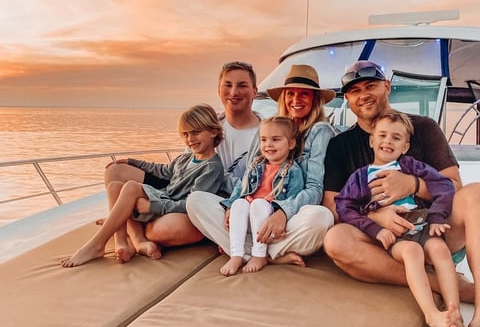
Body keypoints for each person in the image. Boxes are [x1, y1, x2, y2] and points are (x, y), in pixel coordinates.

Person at [322, 60, 480, 327]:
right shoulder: (341, 145)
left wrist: (414, 183)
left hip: (436, 229)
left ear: (387, 87)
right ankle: (448, 285)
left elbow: (454, 185)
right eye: (354, 91)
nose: (363, 95)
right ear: (348, 100)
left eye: (371, 86)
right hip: (390, 242)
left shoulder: (422, 128)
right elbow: (334, 204)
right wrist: (377, 217)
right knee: (336, 241)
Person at [335, 111, 468, 327]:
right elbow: (344, 206)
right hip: (395, 236)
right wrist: (375, 228)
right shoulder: (361, 177)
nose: (388, 141)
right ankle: (432, 315)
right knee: (412, 252)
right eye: (383, 135)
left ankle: (454, 312)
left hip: (422, 224)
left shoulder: (411, 166)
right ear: (372, 140)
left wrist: (437, 217)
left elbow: (445, 185)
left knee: (439, 249)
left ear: (405, 146)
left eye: (396, 138)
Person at [102, 61, 260, 253]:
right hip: (181, 191)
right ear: (219, 90)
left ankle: (123, 218)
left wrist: (155, 205)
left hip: (211, 201)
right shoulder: (210, 123)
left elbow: (254, 184)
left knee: (164, 230)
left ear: (255, 91)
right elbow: (180, 168)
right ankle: (131, 230)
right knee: (115, 171)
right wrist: (133, 162)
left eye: (242, 85)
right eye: (228, 85)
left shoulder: (265, 135)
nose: (234, 92)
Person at [187, 64, 336, 265]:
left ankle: (246, 251)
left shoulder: (320, 131)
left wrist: (283, 212)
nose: (296, 100)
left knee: (321, 217)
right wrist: (233, 203)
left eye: (304, 94)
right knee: (196, 201)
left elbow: (315, 188)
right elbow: (250, 174)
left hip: (288, 217)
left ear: (315, 100)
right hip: (253, 209)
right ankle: (265, 255)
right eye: (290, 93)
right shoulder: (268, 126)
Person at [62, 105, 224, 267]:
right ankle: (121, 241)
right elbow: (162, 171)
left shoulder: (212, 168)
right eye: (185, 134)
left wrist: (153, 205)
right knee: (115, 187)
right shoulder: (185, 158)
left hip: (172, 208)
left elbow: (193, 203)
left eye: (196, 132)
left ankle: (98, 243)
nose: (190, 139)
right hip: (164, 198)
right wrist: (132, 162)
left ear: (213, 131)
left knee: (131, 187)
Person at [220, 116, 305, 276]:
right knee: (239, 204)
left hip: (269, 217)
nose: (268, 145)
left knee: (258, 203)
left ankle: (259, 254)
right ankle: (236, 254)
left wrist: (284, 216)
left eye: (276, 139)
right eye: (264, 140)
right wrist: (230, 206)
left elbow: (293, 198)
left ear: (291, 143)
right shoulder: (255, 166)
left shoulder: (293, 171)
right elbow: (240, 188)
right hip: (248, 212)